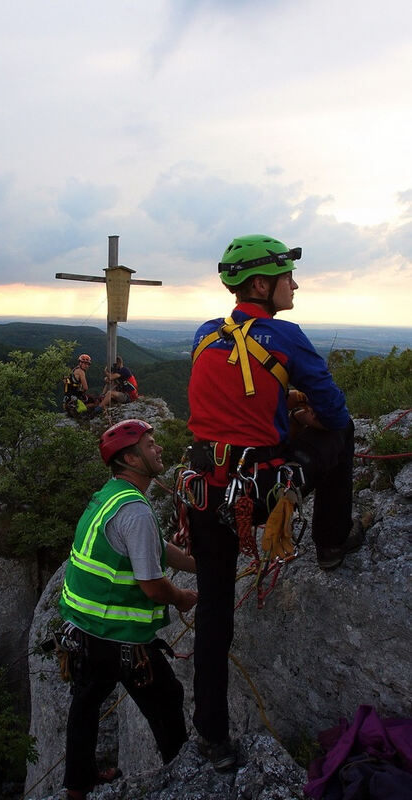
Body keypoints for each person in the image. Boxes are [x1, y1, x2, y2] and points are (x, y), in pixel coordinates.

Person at [186, 234, 364, 770]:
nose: (294, 283)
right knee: (344, 434)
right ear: (262, 285)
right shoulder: (285, 336)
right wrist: (305, 416)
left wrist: (279, 406)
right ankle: (332, 543)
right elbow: (335, 413)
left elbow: (225, 404)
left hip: (205, 489)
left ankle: (212, 738)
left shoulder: (204, 333)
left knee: (214, 612)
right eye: (287, 275)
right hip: (260, 494)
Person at [58, 418, 198, 800]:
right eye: (151, 445)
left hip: (83, 632)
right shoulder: (134, 511)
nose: (160, 449)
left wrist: (191, 563)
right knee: (167, 703)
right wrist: (183, 597)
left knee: (85, 707)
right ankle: (186, 782)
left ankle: (77, 787)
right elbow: (152, 586)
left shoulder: (111, 495)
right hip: (121, 642)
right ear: (131, 459)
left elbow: (150, 547)